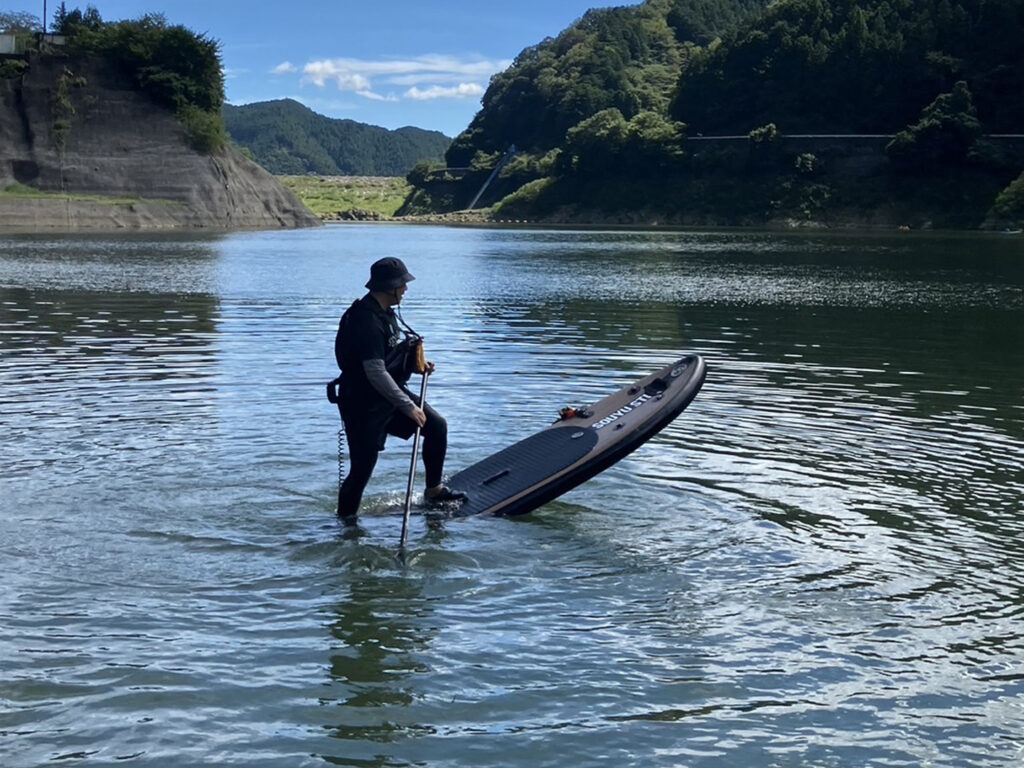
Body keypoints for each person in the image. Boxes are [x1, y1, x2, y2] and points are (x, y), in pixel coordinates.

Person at [332, 257, 466, 526]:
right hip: (362, 403)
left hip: (386, 395)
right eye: (402, 284)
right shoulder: (365, 320)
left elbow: (388, 358)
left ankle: (434, 491)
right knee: (362, 469)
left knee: (436, 425)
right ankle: (345, 524)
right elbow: (375, 372)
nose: (405, 289)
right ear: (389, 286)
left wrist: (416, 365)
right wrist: (407, 406)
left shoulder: (386, 312)